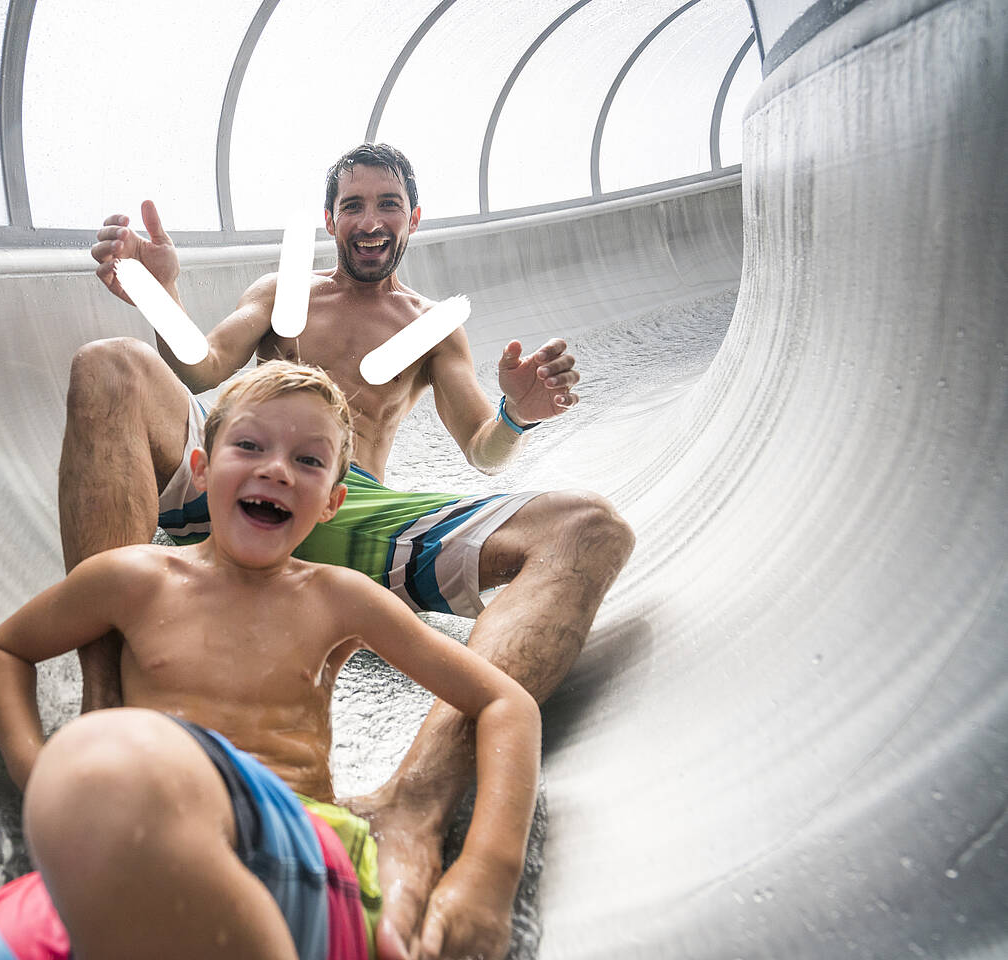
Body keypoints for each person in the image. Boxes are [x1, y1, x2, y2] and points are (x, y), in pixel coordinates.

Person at [62, 142, 635, 950]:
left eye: (387, 204)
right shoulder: (282, 293)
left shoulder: (430, 328)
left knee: (590, 527)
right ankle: (105, 715)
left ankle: (418, 803)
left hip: (352, 502)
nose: (369, 221)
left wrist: (516, 412)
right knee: (109, 366)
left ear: (413, 218)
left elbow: (481, 444)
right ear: (329, 219)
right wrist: (160, 296)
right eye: (354, 205)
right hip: (238, 481)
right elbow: (199, 367)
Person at [0, 362, 541, 960]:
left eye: (308, 462)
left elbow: (506, 703)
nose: (275, 469)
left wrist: (486, 876)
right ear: (200, 469)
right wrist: (39, 774)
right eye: (249, 446)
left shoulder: (337, 598)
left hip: (292, 853)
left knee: (108, 759)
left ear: (332, 503)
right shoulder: (133, 579)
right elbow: (4, 650)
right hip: (129, 840)